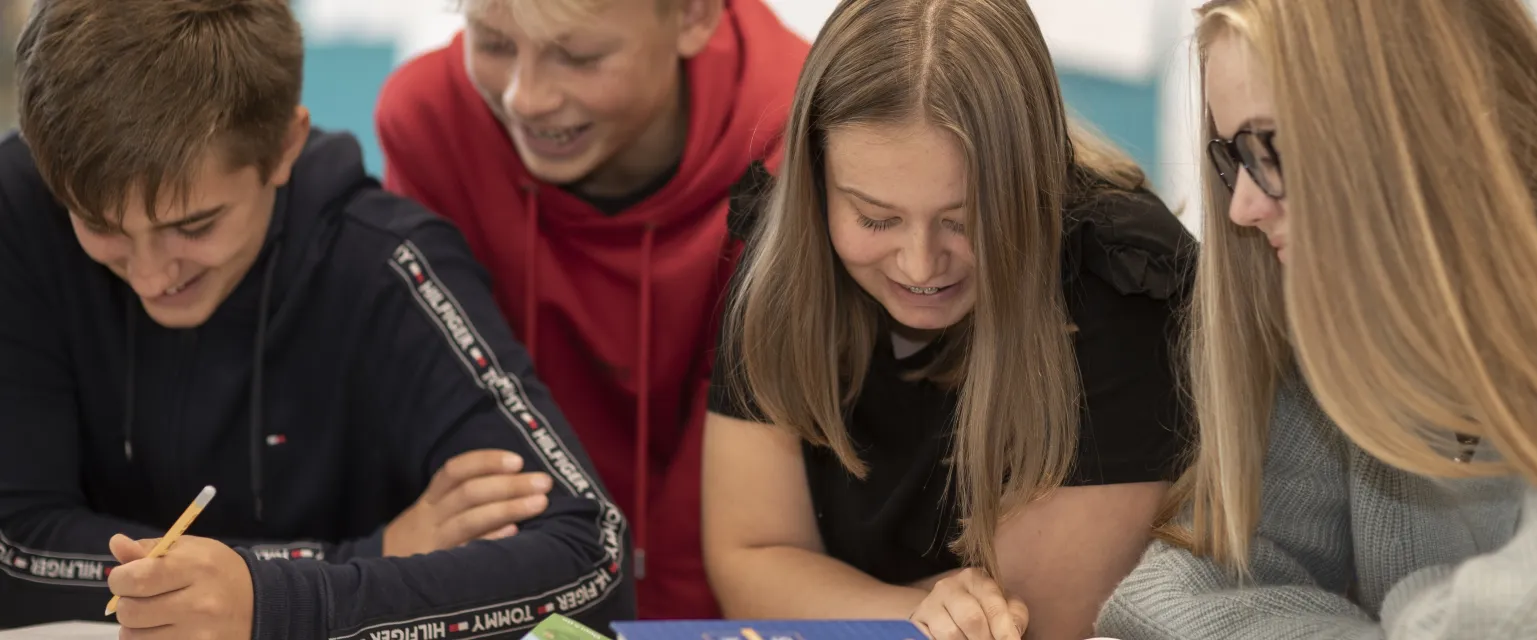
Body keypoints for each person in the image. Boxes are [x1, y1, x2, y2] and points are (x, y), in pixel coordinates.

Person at [0, 0, 633, 636]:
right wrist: (359, 563)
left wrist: (274, 601)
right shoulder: (17, 213)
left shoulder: (385, 261)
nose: (150, 275)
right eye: (100, 226)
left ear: (285, 147)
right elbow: (13, 548)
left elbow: (592, 562)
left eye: (194, 225)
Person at [1097, 0, 1537, 637]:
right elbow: (1169, 595)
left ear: (1406, 120)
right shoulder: (1351, 308)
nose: (1241, 206)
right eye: (1232, 156)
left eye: (1266, 147)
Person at [700, 1, 1197, 638]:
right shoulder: (788, 252)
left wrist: (826, 602)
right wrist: (912, 614)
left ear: (1038, 184)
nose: (920, 263)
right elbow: (748, 565)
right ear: (816, 183)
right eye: (876, 218)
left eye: (966, 220)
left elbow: (1037, 622)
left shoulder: (1121, 281)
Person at [373, 0, 807, 619]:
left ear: (691, 17)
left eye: (578, 56)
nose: (526, 98)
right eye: (494, 43)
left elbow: (733, 481)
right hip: (529, 572)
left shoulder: (803, 136)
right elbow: (466, 414)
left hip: (732, 550)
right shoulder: (430, 122)